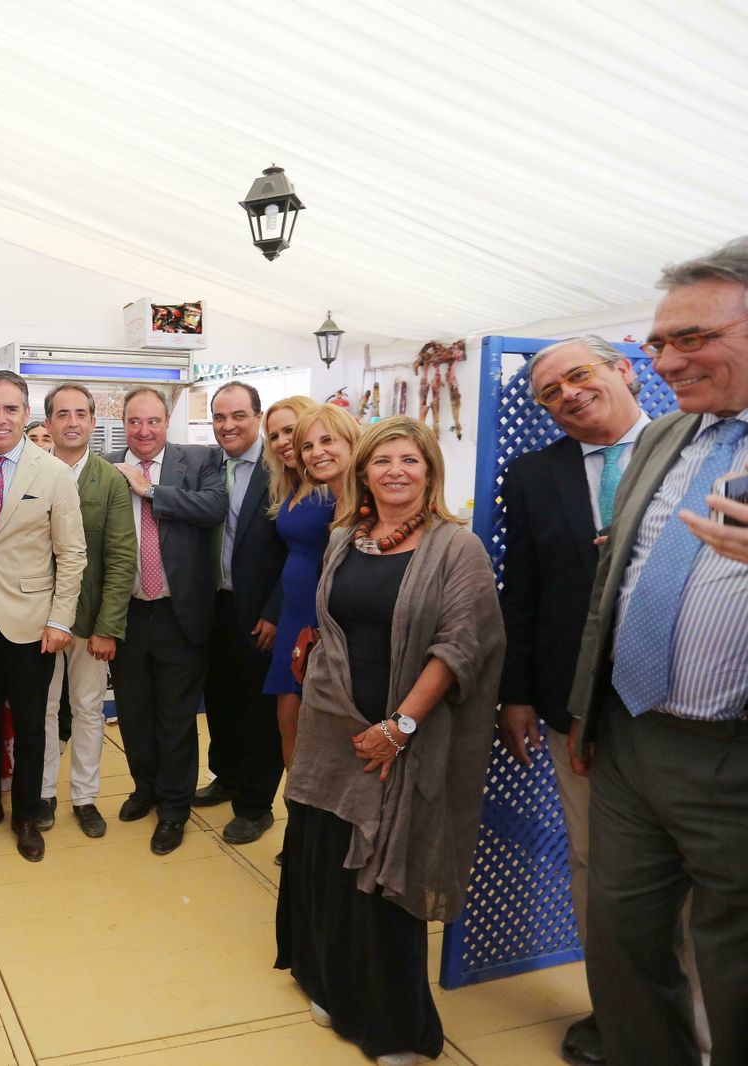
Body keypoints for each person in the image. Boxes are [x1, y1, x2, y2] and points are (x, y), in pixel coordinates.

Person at [566, 238, 748, 1066]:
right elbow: (615, 580)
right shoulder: (669, 435)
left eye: (692, 338)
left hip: (732, 756)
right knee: (624, 950)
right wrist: (588, 710)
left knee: (735, 973)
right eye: (660, 341)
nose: (665, 358)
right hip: (632, 738)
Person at [276, 416, 503, 1066]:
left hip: (399, 730)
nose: (395, 471)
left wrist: (399, 727)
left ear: (430, 471)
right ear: (364, 474)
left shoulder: (458, 549)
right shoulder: (348, 538)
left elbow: (461, 646)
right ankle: (327, 983)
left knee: (381, 871)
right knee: (324, 858)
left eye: (409, 460)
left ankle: (393, 1024)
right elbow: (331, 619)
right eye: (382, 462)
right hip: (330, 727)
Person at [496, 336, 647, 1065]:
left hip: (687, 712)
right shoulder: (531, 475)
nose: (567, 395)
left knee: (697, 876)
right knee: (592, 862)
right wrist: (517, 694)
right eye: (550, 392)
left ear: (624, 370)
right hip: (576, 710)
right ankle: (617, 1012)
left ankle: (699, 1019)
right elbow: (519, 591)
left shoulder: (695, 452)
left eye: (578, 376)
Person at [0, 371, 86, 863]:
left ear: (27, 414)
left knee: (33, 724)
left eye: (11, 409)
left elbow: (72, 554)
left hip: (34, 621)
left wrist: (60, 621)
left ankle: (28, 815)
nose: (0, 418)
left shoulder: (51, 472)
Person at [107, 386, 226, 855]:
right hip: (129, 611)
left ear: (167, 420)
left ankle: (175, 808)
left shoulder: (199, 461)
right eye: (134, 422)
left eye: (153, 421)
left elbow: (213, 508)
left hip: (181, 611)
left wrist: (150, 490)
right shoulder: (106, 466)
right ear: (123, 424)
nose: (144, 431)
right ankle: (145, 788)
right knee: (134, 710)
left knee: (176, 716)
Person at [40, 382, 136, 839]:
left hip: (92, 617)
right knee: (41, 709)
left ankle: (84, 797)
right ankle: (41, 794)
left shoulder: (110, 479)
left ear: (94, 423)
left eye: (81, 414)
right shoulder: (31, 473)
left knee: (88, 709)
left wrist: (108, 627)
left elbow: (121, 558)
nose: (72, 422)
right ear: (48, 423)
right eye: (63, 414)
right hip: (36, 616)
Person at [195, 382, 287, 848]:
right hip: (214, 605)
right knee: (221, 698)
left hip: (261, 611)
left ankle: (255, 805)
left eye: (238, 417)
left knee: (259, 710)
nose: (227, 426)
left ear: (258, 418)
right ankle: (226, 776)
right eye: (219, 418)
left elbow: (296, 550)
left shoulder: (282, 471)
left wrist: (276, 611)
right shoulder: (208, 464)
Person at [266, 401, 358, 773]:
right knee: (288, 718)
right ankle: (299, 811)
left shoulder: (344, 491)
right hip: (294, 614)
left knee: (317, 725)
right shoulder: (297, 485)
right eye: (273, 436)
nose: (282, 442)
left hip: (324, 614)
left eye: (291, 432)